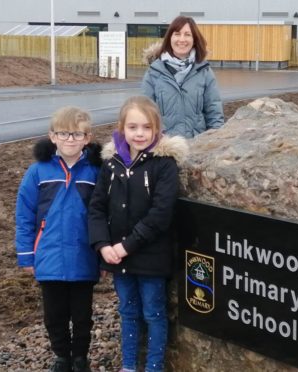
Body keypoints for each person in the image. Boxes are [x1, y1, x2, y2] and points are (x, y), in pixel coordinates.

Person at [88, 96, 188, 372]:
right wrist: (102, 244)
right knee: (128, 311)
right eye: (133, 127)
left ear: (157, 129)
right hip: (118, 257)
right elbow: (96, 207)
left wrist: (125, 247)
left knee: (154, 312)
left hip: (151, 257)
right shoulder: (111, 164)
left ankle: (154, 366)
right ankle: (129, 365)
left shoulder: (164, 164)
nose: (140, 133)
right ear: (122, 128)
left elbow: (160, 214)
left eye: (146, 127)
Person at [15, 106, 101, 372]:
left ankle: (80, 358)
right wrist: (27, 254)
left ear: (87, 138)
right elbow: (25, 215)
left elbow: (105, 215)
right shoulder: (38, 172)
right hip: (49, 256)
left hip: (84, 257)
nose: (70, 140)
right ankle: (62, 357)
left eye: (77, 134)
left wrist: (103, 255)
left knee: (83, 315)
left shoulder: (96, 172)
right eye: (64, 133)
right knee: (54, 315)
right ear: (52, 136)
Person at [142, 15, 224, 139]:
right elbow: (145, 114)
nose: (182, 39)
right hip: (164, 148)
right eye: (177, 34)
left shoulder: (204, 72)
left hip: (197, 146)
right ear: (169, 37)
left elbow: (214, 112)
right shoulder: (154, 73)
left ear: (194, 39)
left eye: (187, 34)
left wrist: (215, 142)